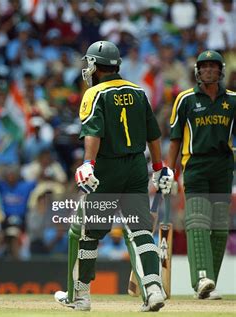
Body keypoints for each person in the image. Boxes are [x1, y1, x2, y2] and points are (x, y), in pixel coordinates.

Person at [53, 41, 173, 312]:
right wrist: (158, 167)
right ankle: (153, 290)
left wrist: (87, 163)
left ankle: (80, 297)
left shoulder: (94, 94)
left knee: (84, 232)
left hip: (107, 168)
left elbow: (93, 132)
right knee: (141, 229)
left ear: (95, 65)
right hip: (136, 168)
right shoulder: (138, 91)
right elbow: (153, 134)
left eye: (89, 63)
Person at [167, 50, 235, 300]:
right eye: (203, 66)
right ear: (197, 71)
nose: (208, 70)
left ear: (220, 71)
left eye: (212, 66)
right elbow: (174, 139)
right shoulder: (185, 99)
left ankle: (209, 286)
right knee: (197, 220)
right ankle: (201, 278)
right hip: (195, 165)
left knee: (219, 227)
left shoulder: (233, 100)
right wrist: (167, 171)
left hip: (223, 167)